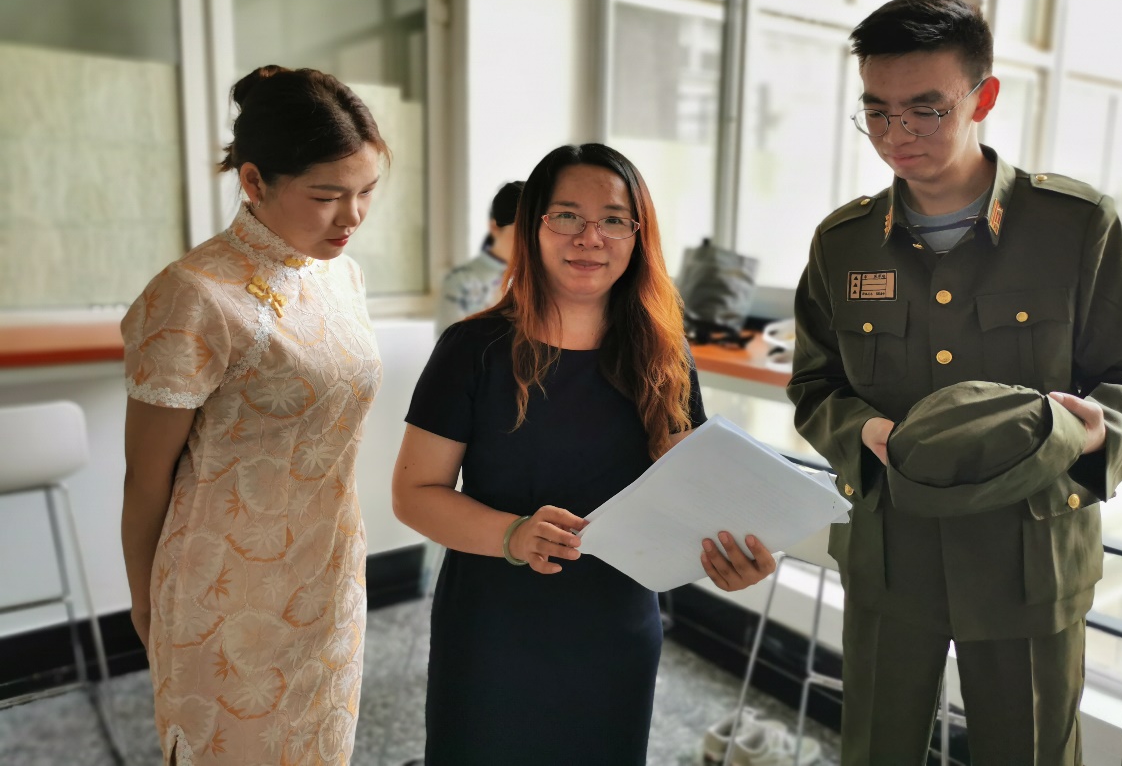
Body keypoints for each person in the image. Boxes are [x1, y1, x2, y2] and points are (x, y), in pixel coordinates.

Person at [787, 0, 1122, 766]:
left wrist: (1098, 430)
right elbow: (814, 384)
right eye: (877, 111)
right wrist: (864, 431)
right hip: (892, 551)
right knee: (874, 750)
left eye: (925, 110)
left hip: (1029, 555)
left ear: (984, 96)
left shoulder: (1073, 225)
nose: (897, 134)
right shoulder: (844, 242)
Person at [392, 142, 776, 765]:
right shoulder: (472, 348)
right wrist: (515, 534)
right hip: (492, 629)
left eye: (614, 220)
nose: (589, 237)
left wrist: (730, 553)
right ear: (533, 225)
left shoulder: (662, 352)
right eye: (567, 215)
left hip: (615, 629)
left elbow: (690, 490)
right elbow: (415, 494)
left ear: (638, 235)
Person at [120, 65, 389, 766]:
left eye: (365, 191)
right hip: (224, 593)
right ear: (253, 181)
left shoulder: (342, 274)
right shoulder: (193, 294)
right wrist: (147, 605)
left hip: (330, 572)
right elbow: (145, 478)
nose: (351, 217)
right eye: (326, 195)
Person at [434, 180, 523, 334]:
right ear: (494, 227)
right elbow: (450, 343)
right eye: (522, 231)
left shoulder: (544, 276)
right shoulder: (460, 281)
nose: (530, 242)